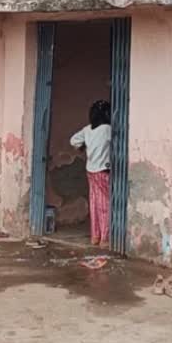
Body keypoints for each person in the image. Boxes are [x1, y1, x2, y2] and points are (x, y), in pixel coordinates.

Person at [70, 100, 112, 246]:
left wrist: (83, 147)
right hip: (103, 170)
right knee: (105, 204)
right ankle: (105, 238)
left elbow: (73, 140)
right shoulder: (107, 129)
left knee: (94, 202)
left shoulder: (88, 129)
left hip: (91, 170)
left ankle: (95, 236)